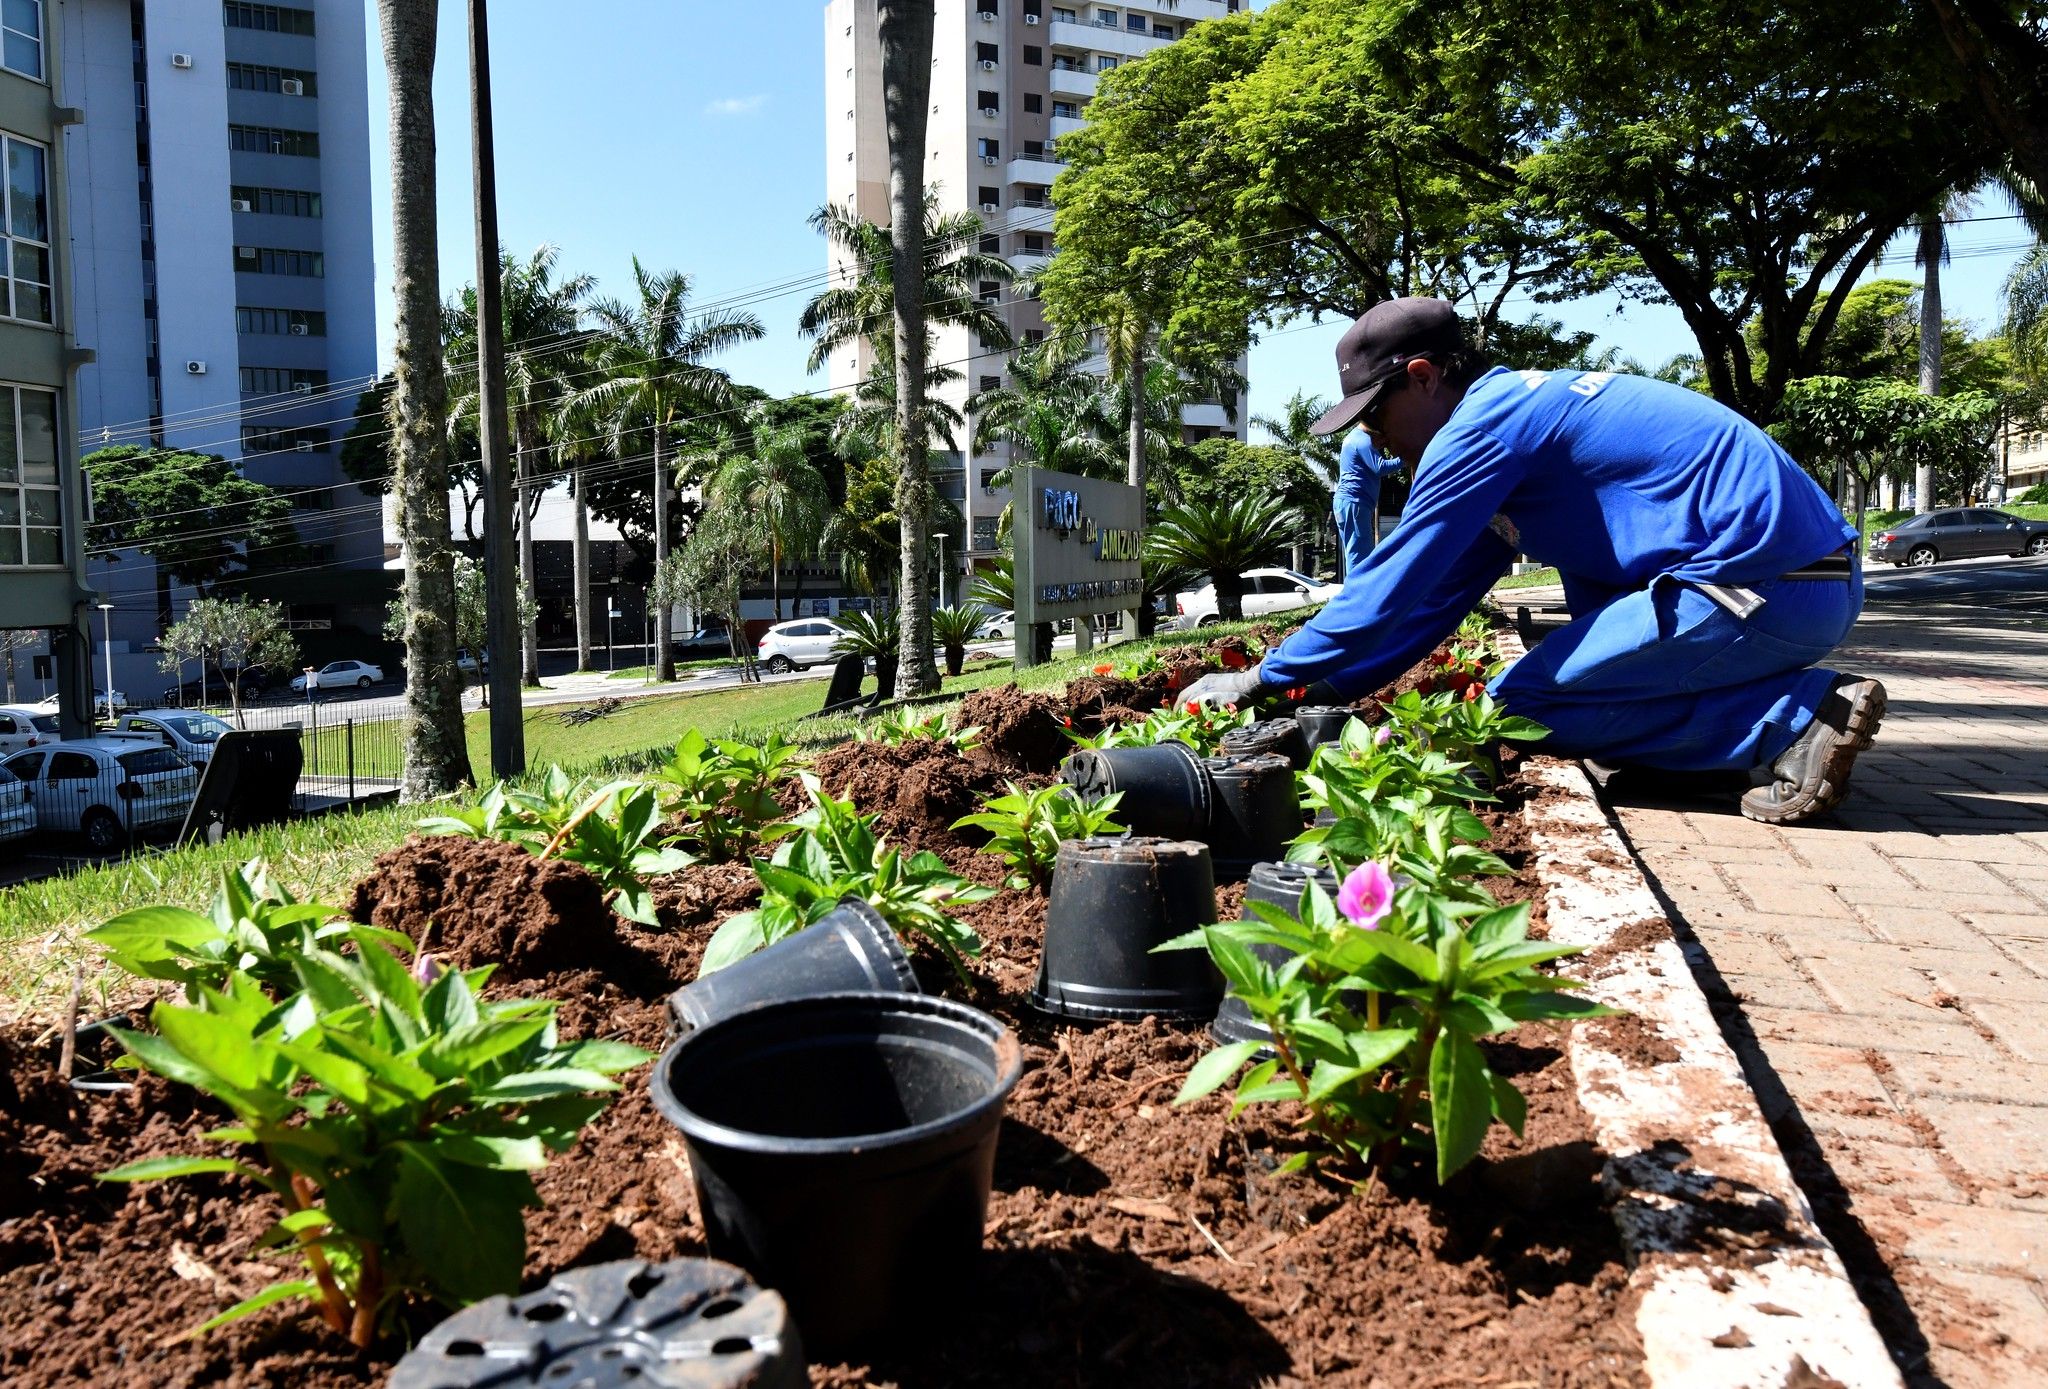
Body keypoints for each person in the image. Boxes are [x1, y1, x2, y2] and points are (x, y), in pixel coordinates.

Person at [1182, 297, 1885, 825]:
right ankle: (1710, 746)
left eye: (1374, 414)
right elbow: (1431, 600)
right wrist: (1322, 688)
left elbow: (1387, 591)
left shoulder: (1477, 434)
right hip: (1795, 582)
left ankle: (1796, 717)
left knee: (1520, 705)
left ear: (1423, 377)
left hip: (1758, 586)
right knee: (1578, 698)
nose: (1376, 439)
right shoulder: (1512, 421)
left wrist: (1261, 678)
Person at [1332, 425, 1399, 574]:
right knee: (1360, 554)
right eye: (1383, 440)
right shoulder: (1362, 440)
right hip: (1354, 502)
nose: (1382, 444)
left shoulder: (1352, 437)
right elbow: (1380, 467)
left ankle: (1354, 590)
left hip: (1346, 503)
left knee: (1353, 551)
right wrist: (1406, 458)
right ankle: (1358, 593)